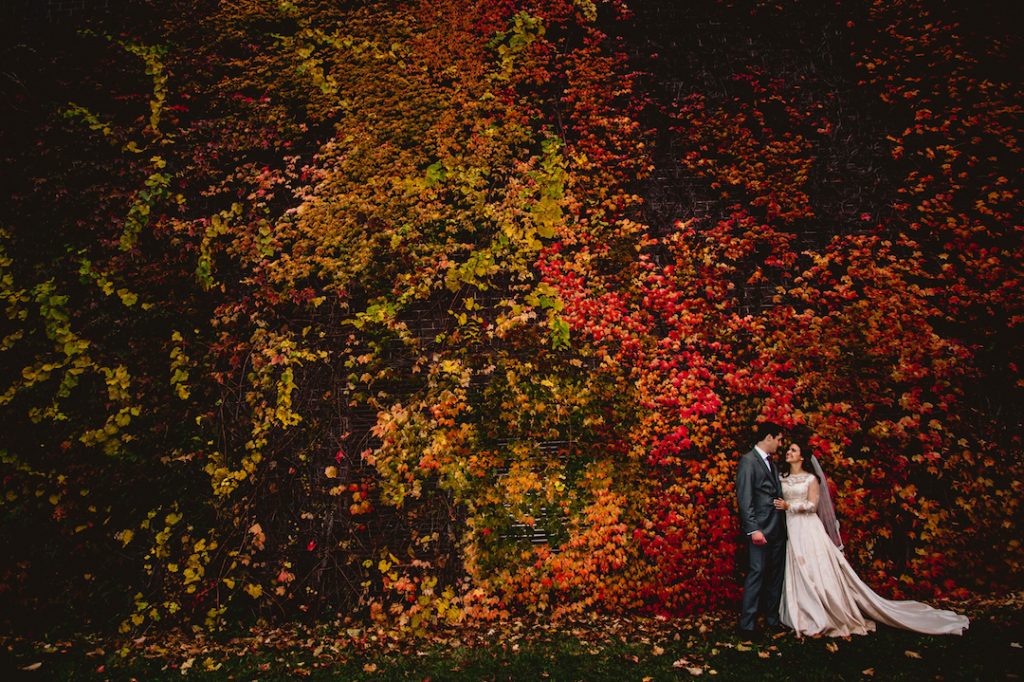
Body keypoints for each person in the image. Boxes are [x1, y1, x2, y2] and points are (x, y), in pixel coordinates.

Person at [775, 439, 970, 637]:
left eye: (793, 450)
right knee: (798, 566)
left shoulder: (811, 479)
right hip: (792, 528)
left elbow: (812, 506)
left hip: (808, 528)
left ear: (802, 456)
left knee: (813, 567)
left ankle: (823, 610)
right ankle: (800, 610)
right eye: (789, 449)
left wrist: (789, 506)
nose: (788, 452)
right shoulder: (782, 478)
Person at [735, 421, 788, 637]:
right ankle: (747, 625)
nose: (779, 443)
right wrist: (753, 529)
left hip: (777, 528)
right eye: (778, 439)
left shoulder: (772, 464)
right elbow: (744, 497)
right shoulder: (748, 461)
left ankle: (772, 619)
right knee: (757, 573)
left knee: (776, 576)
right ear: (768, 437)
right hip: (760, 530)